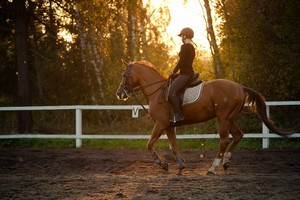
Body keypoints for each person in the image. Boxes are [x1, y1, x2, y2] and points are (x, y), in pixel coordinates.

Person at [168, 27, 196, 126]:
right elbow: (186, 63)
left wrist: (173, 72)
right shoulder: (192, 47)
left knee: (171, 91)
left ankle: (178, 114)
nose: (181, 38)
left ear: (185, 36)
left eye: (181, 36)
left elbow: (181, 62)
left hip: (185, 74)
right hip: (187, 73)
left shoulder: (184, 47)